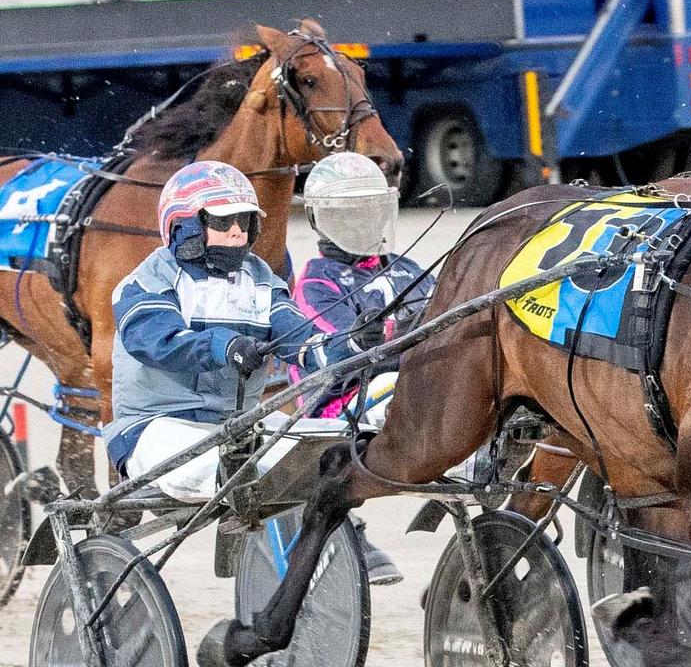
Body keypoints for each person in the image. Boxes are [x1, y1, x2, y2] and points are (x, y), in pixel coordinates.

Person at [101, 160, 401, 584]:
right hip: (155, 431)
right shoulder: (145, 282)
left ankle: (327, 558)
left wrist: (352, 342)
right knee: (246, 469)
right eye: (224, 222)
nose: (239, 233)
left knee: (330, 449)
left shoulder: (261, 278)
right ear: (184, 226)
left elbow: (303, 344)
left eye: (244, 221)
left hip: (239, 430)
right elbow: (157, 342)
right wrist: (226, 346)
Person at [295, 153, 491, 483]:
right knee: (395, 383)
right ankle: (465, 458)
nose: (365, 221)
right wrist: (392, 332)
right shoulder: (317, 282)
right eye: (352, 213)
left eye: (371, 210)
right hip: (342, 402)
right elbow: (340, 352)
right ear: (324, 218)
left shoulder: (407, 267)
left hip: (416, 383)